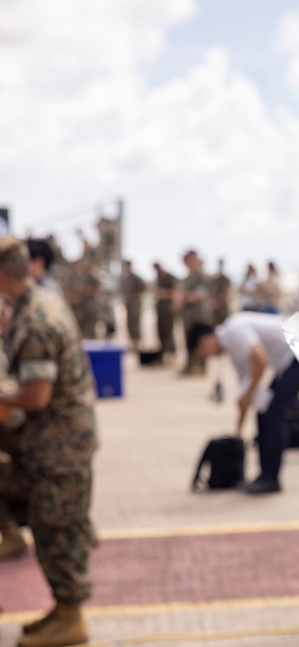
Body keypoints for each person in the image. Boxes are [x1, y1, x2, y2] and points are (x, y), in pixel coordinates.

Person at [0, 236, 98, 647]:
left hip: (57, 448)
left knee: (58, 532)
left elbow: (36, 396)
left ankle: (71, 619)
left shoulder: (36, 321)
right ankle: (61, 609)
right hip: (48, 441)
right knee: (49, 522)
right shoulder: (35, 303)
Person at [189, 312, 299, 494]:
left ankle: (271, 479)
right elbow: (245, 394)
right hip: (289, 360)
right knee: (263, 413)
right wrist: (239, 428)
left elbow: (261, 361)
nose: (209, 357)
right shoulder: (232, 348)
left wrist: (249, 394)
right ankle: (265, 476)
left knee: (273, 414)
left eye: (203, 353)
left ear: (205, 340)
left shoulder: (233, 331)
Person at [179, 249, 212, 376]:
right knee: (188, 339)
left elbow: (199, 295)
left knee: (202, 340)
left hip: (199, 314)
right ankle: (190, 364)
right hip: (188, 314)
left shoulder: (201, 276)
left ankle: (202, 366)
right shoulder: (188, 277)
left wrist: (183, 299)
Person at [153, 262, 178, 362]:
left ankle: (171, 353)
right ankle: (163, 353)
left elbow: (176, 292)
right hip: (160, 309)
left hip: (168, 309)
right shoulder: (158, 278)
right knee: (161, 331)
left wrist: (163, 294)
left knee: (168, 331)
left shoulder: (170, 277)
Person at [120, 260, 146, 351]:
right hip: (128, 304)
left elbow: (144, 286)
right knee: (129, 323)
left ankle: (137, 342)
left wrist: (137, 296)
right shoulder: (125, 278)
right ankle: (133, 342)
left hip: (135, 305)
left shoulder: (136, 278)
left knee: (135, 323)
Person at [209, 259, 231, 326]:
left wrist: (218, 304)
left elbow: (225, 293)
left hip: (222, 307)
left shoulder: (225, 279)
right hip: (214, 306)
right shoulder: (214, 279)